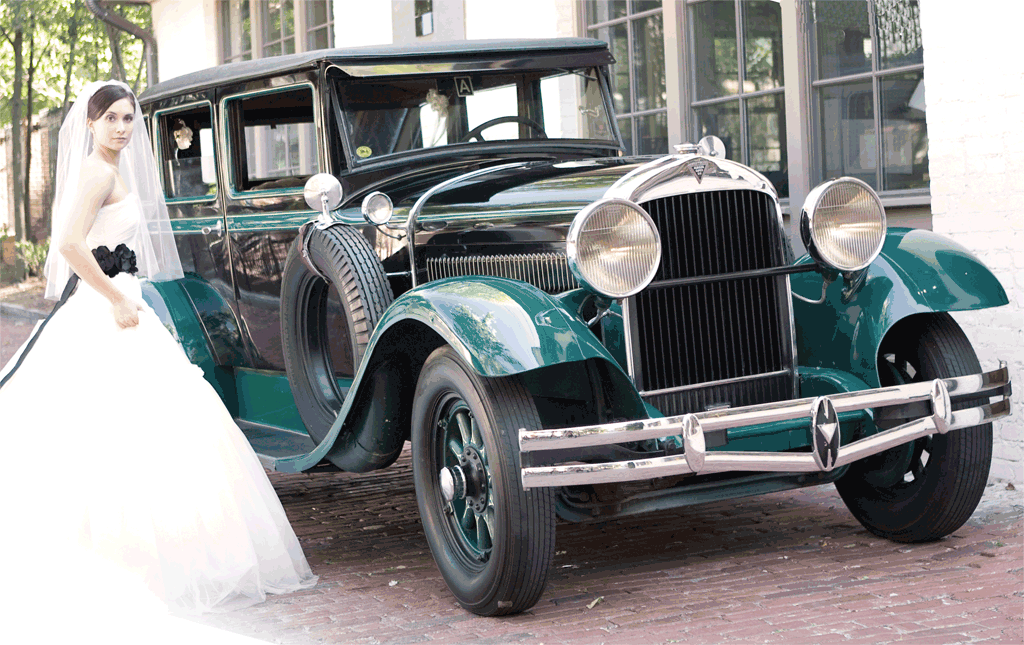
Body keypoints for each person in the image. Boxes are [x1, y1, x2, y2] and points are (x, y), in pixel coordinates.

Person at [0, 80, 317, 616]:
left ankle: (135, 553)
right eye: (112, 119)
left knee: (144, 430)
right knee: (116, 432)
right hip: (109, 309)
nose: (122, 129)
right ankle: (118, 559)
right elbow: (70, 246)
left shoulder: (108, 169)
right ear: (92, 123)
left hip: (122, 299)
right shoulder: (98, 172)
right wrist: (115, 300)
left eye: (129, 119)